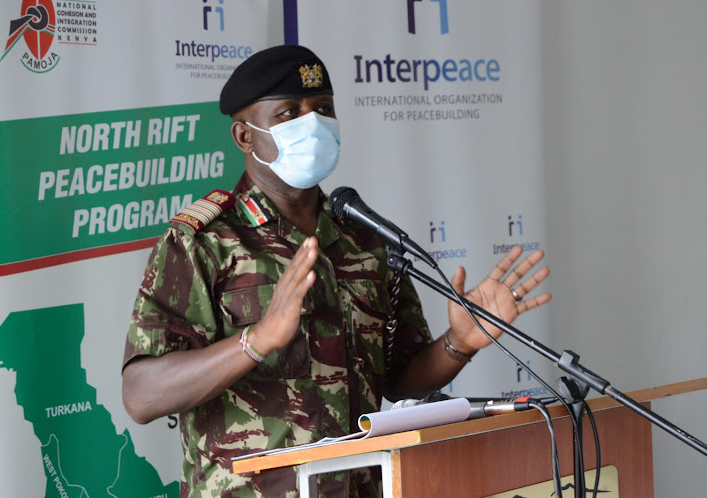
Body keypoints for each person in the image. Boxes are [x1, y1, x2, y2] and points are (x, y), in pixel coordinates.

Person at [121, 45, 551, 497]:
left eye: (323, 108)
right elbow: (141, 395)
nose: (313, 123)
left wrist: (457, 344)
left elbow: (399, 378)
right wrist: (258, 340)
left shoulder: (364, 236)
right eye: (290, 112)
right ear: (245, 137)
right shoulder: (204, 241)